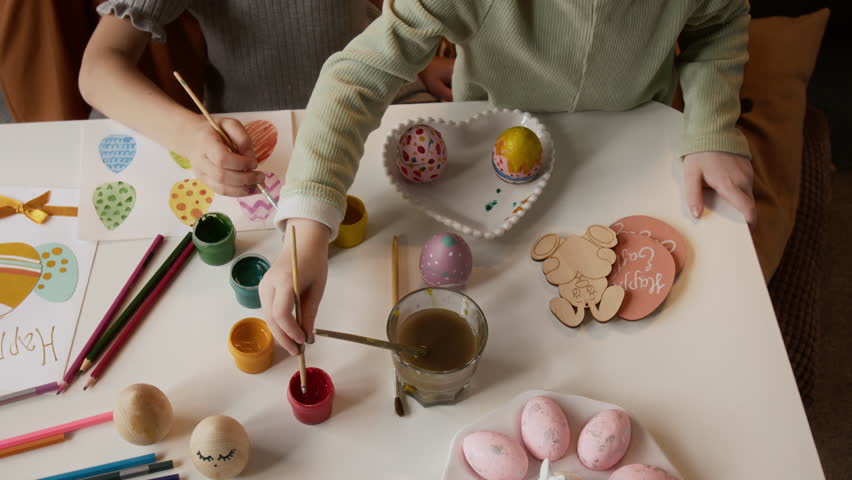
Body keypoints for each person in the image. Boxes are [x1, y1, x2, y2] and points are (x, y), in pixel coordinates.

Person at [260, 0, 757, 355]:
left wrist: (712, 126)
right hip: (489, 160)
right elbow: (357, 77)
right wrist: (307, 229)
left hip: (633, 144)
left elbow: (719, 22)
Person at [79, 0, 451, 197]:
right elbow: (98, 71)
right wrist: (191, 137)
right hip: (263, 147)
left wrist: (418, 66)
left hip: (379, 103)